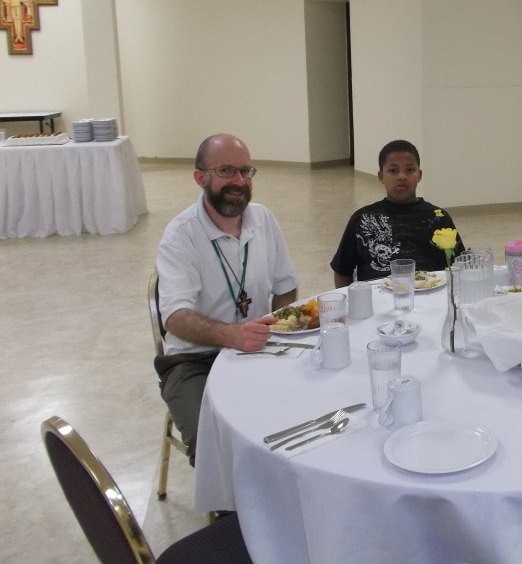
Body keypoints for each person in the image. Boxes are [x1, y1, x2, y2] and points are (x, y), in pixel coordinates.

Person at [155, 134, 299, 464]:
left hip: (261, 347)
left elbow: (286, 286)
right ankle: (232, 514)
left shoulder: (263, 219)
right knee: (216, 449)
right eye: (226, 171)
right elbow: (174, 317)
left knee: (307, 415)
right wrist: (232, 335)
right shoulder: (181, 236)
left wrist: (281, 324)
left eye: (246, 171)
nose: (239, 181)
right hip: (194, 361)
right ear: (199, 177)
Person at [330, 139, 465, 286]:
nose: (402, 176)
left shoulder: (439, 218)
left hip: (431, 298)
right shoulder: (362, 218)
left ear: (419, 175)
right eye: (393, 170)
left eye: (409, 170)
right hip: (376, 301)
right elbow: (342, 270)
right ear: (381, 176)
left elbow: (459, 267)